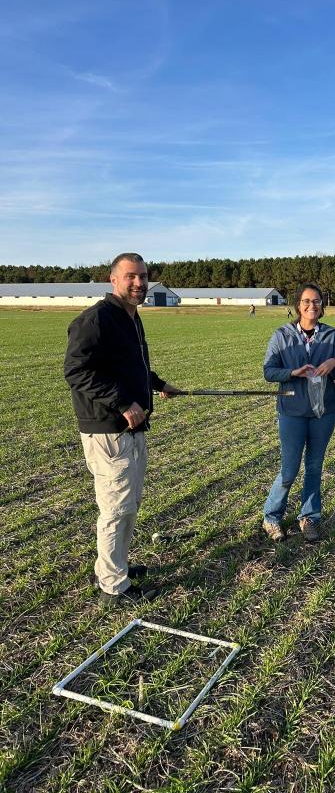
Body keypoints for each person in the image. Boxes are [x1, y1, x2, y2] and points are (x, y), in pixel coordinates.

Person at [64, 252, 182, 607]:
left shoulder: (131, 317)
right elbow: (76, 371)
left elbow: (131, 366)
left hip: (132, 426)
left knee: (128, 504)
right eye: (131, 276)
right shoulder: (96, 320)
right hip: (109, 430)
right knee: (116, 507)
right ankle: (113, 587)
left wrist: (158, 384)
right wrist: (122, 402)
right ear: (113, 279)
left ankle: (115, 567)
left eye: (143, 276)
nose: (139, 283)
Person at [262, 283, 335, 543]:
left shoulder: (331, 335)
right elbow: (269, 371)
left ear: (322, 305)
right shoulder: (281, 335)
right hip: (292, 411)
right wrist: (292, 372)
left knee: (314, 466)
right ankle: (271, 517)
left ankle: (309, 517)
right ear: (298, 305)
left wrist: (333, 362)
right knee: (289, 470)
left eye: (317, 301)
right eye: (307, 301)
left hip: (324, 411)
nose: (312, 306)